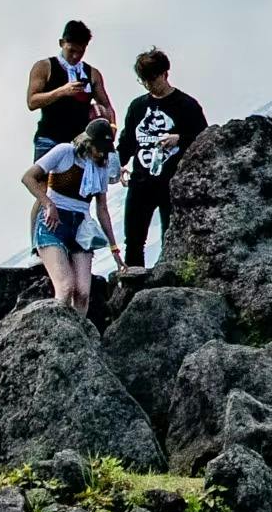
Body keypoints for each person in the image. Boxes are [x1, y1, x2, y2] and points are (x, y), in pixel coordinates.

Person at [115, 48, 207, 273]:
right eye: (144, 81)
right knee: (134, 239)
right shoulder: (137, 107)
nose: (149, 85)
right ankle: (134, 284)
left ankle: (169, 281)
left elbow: (205, 139)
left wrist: (180, 139)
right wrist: (117, 166)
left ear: (165, 74)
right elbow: (127, 142)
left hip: (172, 183)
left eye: (153, 79)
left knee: (171, 238)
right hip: (141, 181)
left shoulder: (186, 105)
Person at [24, 116, 121, 316]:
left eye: (105, 149)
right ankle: (58, 329)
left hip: (81, 227)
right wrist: (48, 204)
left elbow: (102, 209)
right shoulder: (64, 152)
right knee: (66, 286)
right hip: (53, 222)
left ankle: (79, 331)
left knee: (83, 292)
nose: (101, 153)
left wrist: (114, 248)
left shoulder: (102, 167)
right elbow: (28, 178)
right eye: (99, 148)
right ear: (88, 142)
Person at [25, 20, 107, 167]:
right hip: (49, 139)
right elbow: (32, 102)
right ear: (62, 43)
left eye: (81, 51)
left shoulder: (92, 74)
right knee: (42, 180)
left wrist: (107, 133)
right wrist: (62, 91)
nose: (76, 56)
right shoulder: (44, 67)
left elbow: (106, 106)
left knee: (85, 181)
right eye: (71, 51)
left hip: (81, 142)